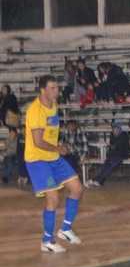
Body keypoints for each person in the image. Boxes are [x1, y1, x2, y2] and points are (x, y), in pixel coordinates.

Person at [24, 75, 84, 253]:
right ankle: (47, 241)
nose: (57, 91)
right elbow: (38, 142)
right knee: (53, 198)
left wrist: (57, 148)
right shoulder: (35, 111)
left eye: (57, 87)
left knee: (77, 188)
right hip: (38, 160)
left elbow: (50, 133)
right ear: (43, 90)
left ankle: (65, 229)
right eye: (52, 88)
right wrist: (58, 148)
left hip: (53, 157)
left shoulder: (54, 105)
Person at [86, 122, 130, 187]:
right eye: (113, 128)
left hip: (122, 155)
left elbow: (118, 146)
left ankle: (95, 179)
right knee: (105, 166)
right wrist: (112, 147)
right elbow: (112, 145)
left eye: (116, 128)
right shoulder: (112, 134)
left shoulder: (124, 135)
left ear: (119, 128)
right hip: (113, 154)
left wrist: (113, 146)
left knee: (110, 167)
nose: (114, 130)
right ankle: (99, 181)